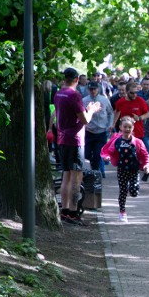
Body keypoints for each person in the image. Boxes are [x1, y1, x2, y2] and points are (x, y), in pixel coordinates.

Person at [57, 68, 102, 225]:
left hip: (62, 139)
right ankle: (73, 212)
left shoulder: (59, 93)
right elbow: (85, 120)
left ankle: (64, 210)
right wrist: (92, 110)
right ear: (76, 80)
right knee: (76, 177)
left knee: (66, 175)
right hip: (75, 141)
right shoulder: (74, 95)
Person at [100, 116, 149, 223]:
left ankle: (130, 188)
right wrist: (107, 157)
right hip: (122, 170)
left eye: (129, 127)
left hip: (134, 170)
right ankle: (122, 212)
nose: (127, 129)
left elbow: (145, 155)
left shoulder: (137, 142)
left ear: (133, 129)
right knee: (122, 191)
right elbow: (108, 151)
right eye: (125, 127)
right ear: (120, 127)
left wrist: (147, 165)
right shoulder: (117, 141)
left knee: (133, 192)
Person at [83, 81, 115, 177]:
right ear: (88, 89)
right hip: (89, 131)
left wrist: (109, 125)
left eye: (94, 89)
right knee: (86, 154)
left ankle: (95, 173)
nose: (93, 91)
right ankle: (92, 165)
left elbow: (110, 113)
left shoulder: (104, 100)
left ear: (98, 89)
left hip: (101, 131)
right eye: (91, 89)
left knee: (98, 153)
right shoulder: (84, 100)